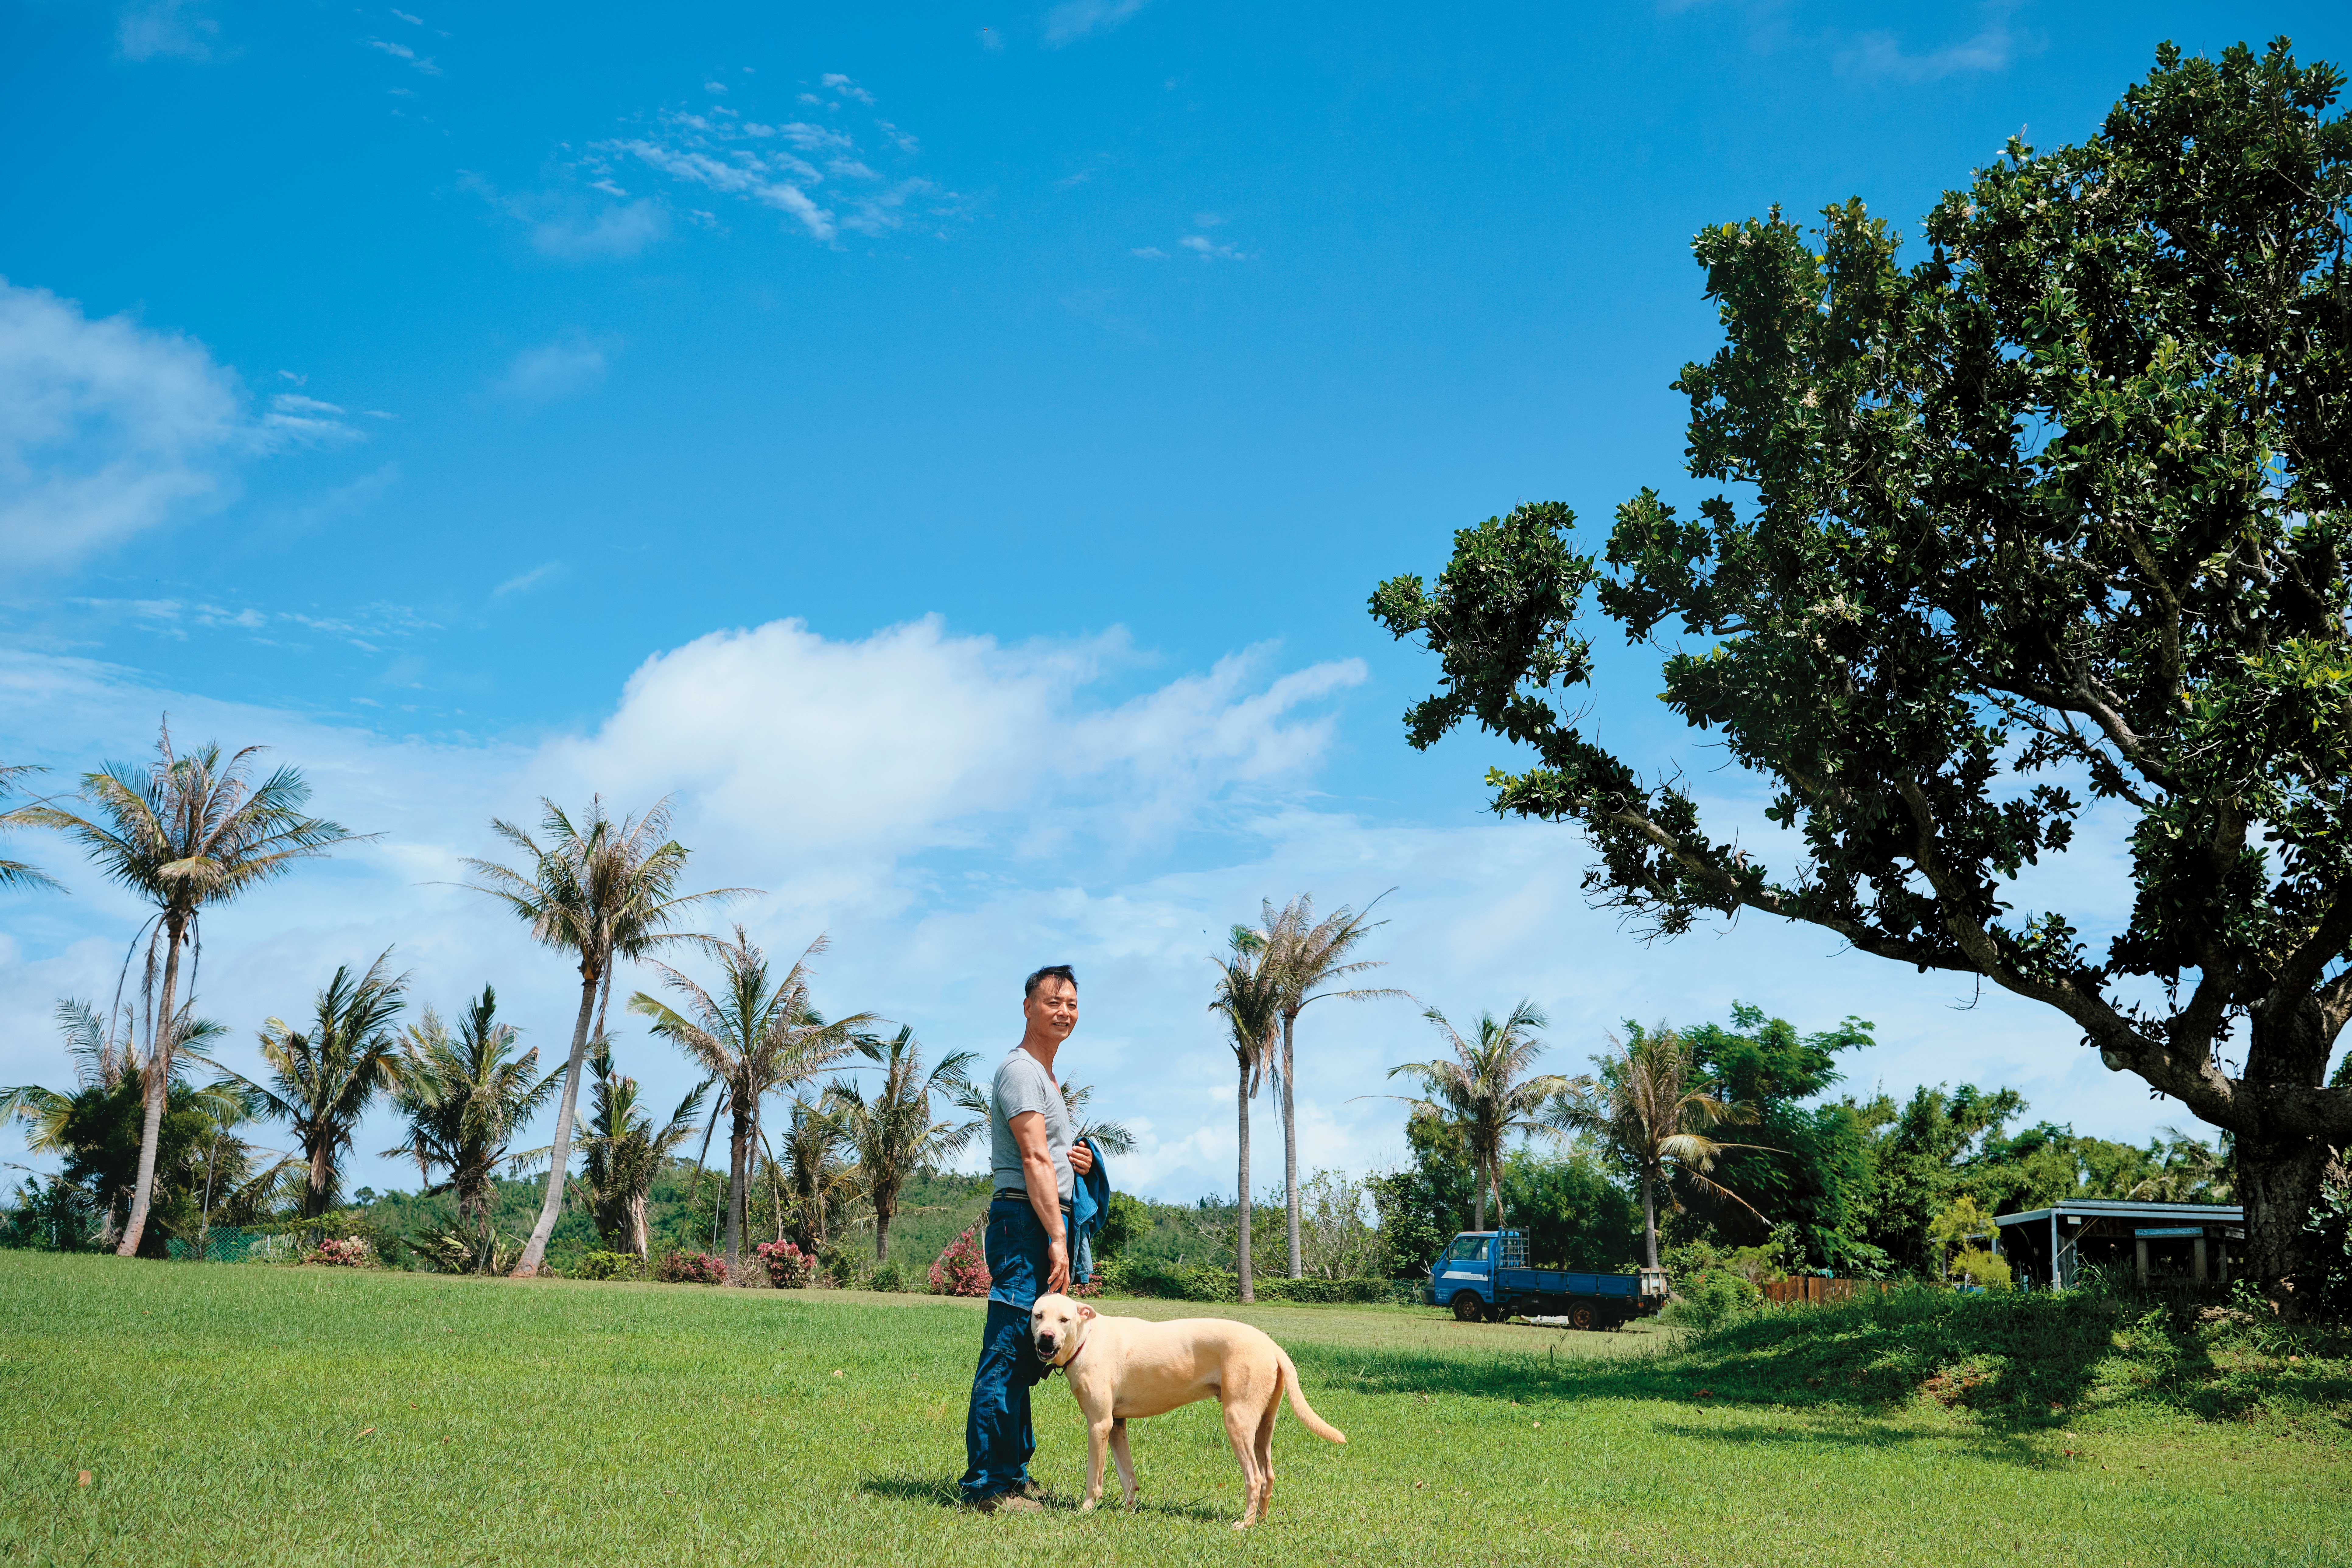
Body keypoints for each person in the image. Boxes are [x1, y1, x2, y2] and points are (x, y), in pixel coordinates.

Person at [959, 963, 1097, 1512]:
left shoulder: (1045, 1077)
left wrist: (1079, 1162)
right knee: (1005, 1351)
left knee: (1025, 1353)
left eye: (1071, 1003)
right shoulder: (1020, 1072)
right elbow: (1034, 1157)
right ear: (1028, 1008)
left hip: (1038, 1217)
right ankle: (988, 1485)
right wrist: (1057, 1238)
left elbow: (1053, 1155)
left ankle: (1012, 1472)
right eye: (1052, 1002)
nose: (1064, 1011)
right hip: (1026, 1223)